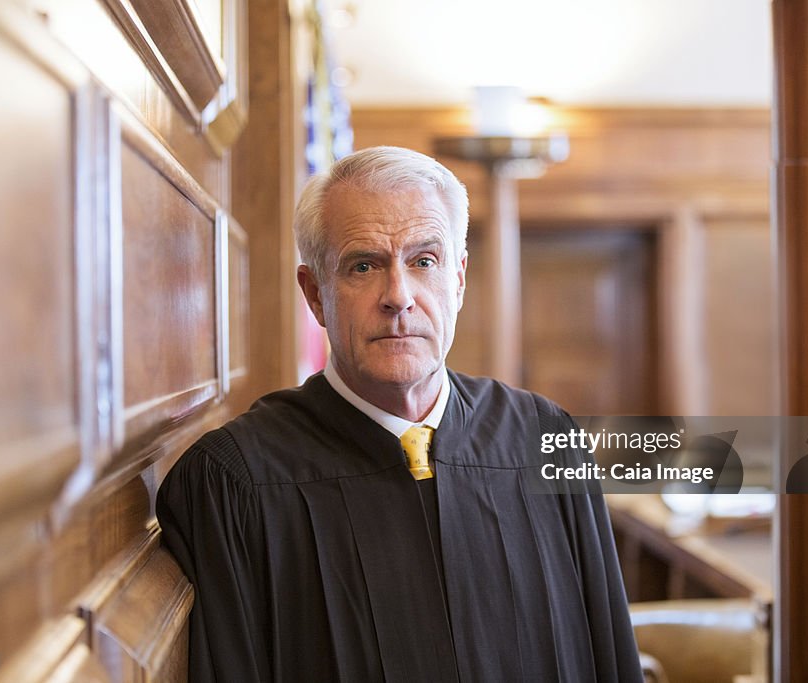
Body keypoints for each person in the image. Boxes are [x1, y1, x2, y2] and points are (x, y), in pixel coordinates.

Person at [156, 146, 643, 682]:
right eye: (363, 265)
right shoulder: (236, 481)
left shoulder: (546, 441)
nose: (399, 296)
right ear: (316, 294)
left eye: (424, 261)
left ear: (458, 279)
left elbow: (610, 660)